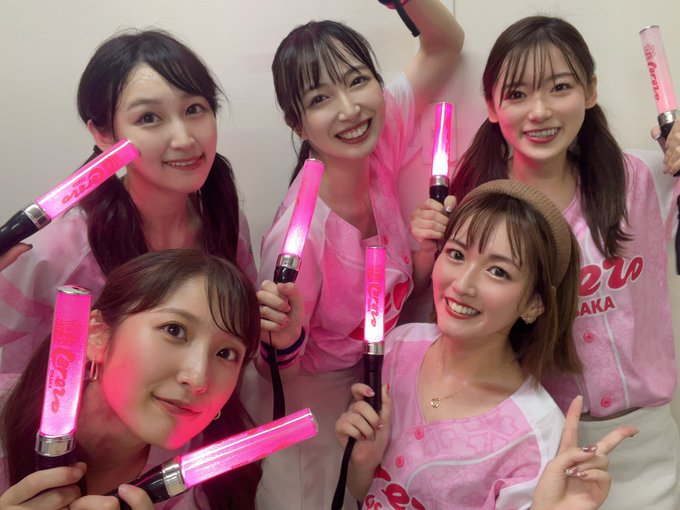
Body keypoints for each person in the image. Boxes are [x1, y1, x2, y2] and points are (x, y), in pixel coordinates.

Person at [412, 15, 680, 509]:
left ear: (590, 90)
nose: (540, 111)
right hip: (539, 449)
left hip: (650, 445)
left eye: (560, 87)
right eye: (517, 94)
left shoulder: (640, 179)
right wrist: (425, 257)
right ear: (491, 105)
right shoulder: (475, 210)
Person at [248, 2, 464, 509]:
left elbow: (445, 45)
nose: (349, 109)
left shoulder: (377, 140)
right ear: (297, 124)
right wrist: (283, 338)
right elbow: (272, 373)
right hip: (310, 409)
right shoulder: (299, 237)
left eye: (358, 81)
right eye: (320, 98)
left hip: (378, 387)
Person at [336, 179, 612, 509]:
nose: (463, 284)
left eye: (497, 271)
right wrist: (362, 462)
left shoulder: (534, 434)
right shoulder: (397, 348)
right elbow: (364, 493)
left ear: (534, 304)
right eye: (456, 254)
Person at [0, 29, 256, 374]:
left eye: (194, 109)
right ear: (103, 135)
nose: (184, 139)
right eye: (148, 118)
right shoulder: (59, 248)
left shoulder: (224, 220)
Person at [0, 249, 261, 510]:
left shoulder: (207, 486)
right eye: (174, 330)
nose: (198, 378)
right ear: (97, 334)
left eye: (226, 353)